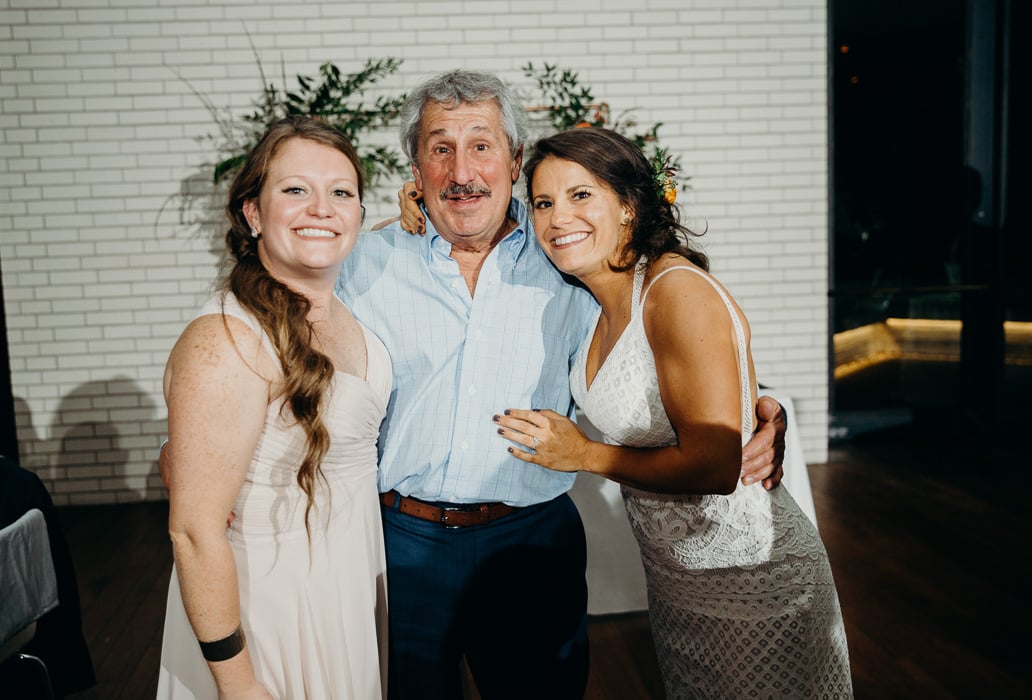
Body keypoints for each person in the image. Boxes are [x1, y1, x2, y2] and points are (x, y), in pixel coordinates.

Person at [336, 69, 788, 699]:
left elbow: (679, 354)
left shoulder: (570, 259)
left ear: (514, 160)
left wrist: (767, 409)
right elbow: (287, 361)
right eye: (440, 148)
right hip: (400, 545)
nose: (461, 170)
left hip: (530, 542)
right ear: (416, 167)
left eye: (482, 145)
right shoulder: (362, 263)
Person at [493, 127, 853, 698]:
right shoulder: (592, 299)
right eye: (543, 202)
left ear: (630, 206)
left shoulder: (673, 289)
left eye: (581, 195)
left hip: (750, 575)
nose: (558, 217)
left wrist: (584, 454)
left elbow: (713, 465)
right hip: (675, 579)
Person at [157, 116, 390, 699]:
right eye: (295, 190)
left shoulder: (342, 305)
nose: (322, 208)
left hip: (346, 581)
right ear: (252, 213)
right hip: (270, 604)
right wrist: (236, 682)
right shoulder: (224, 339)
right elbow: (192, 531)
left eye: (341, 192)